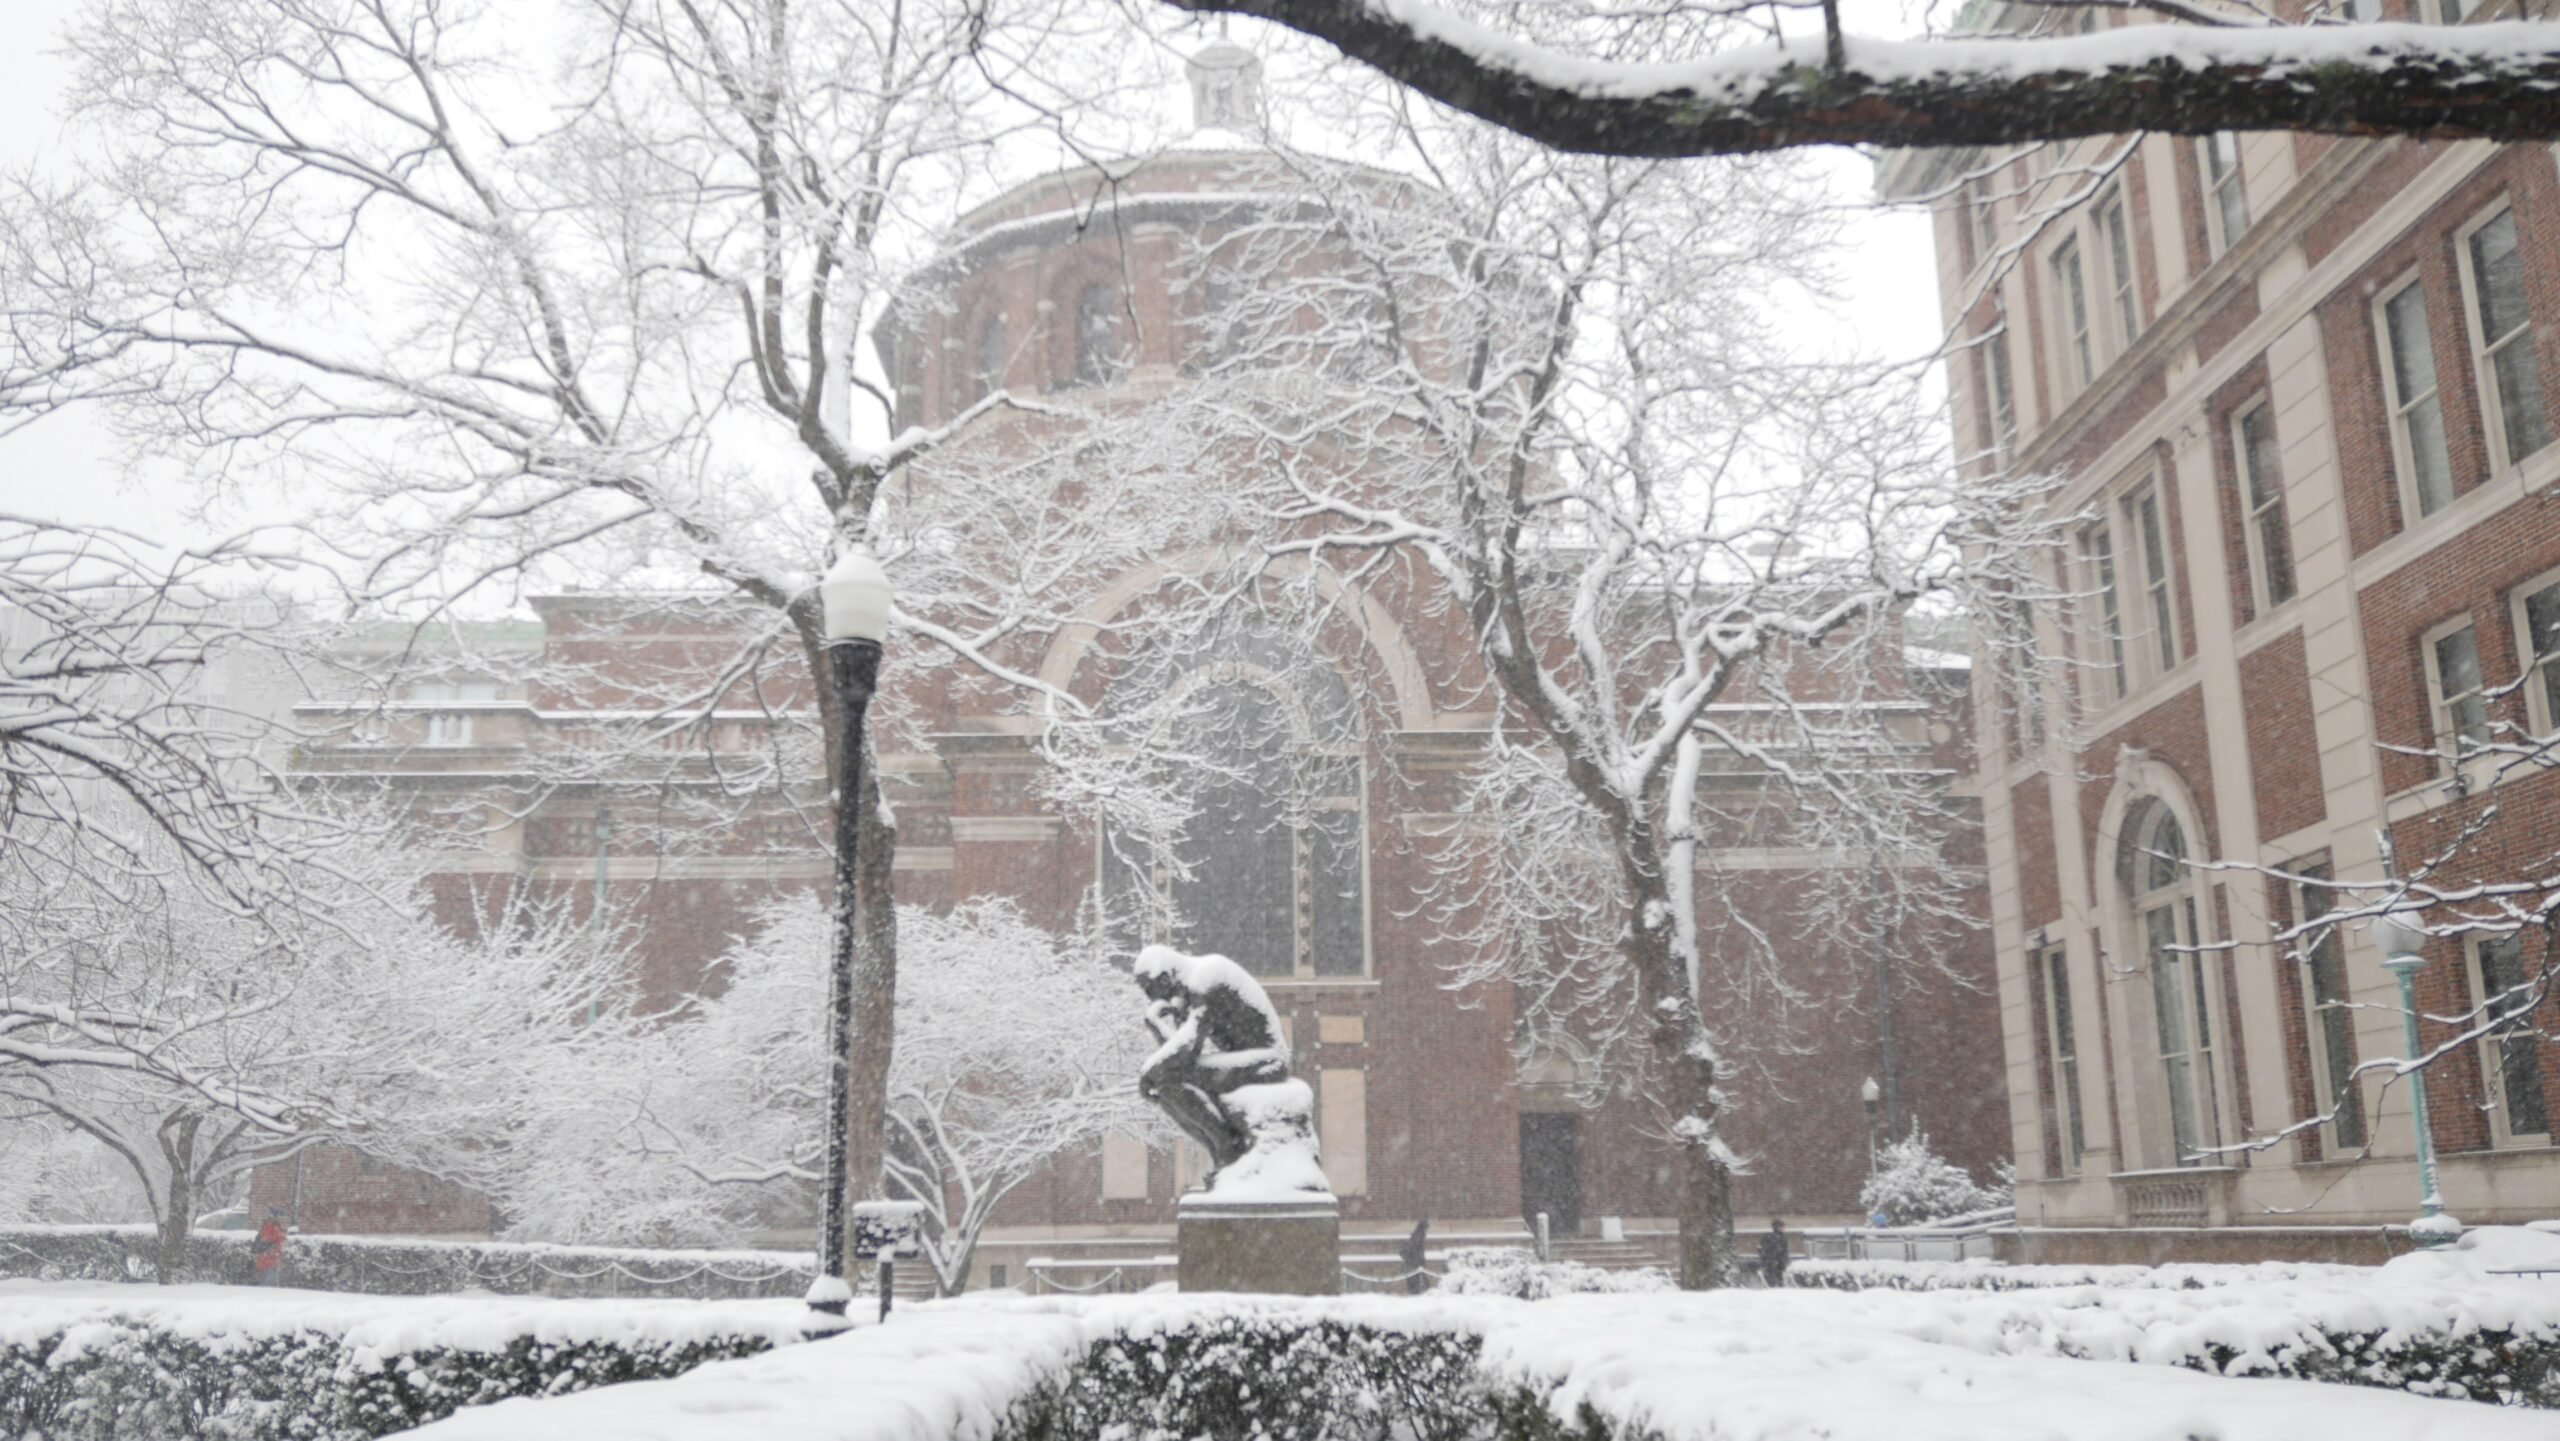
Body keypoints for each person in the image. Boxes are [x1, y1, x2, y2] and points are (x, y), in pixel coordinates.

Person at [1757, 1217, 1790, 1288]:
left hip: (1774, 1262)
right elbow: (1783, 1250)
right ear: (1777, 1227)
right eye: (1782, 1227)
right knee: (1775, 1279)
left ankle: (1774, 1288)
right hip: (1774, 1262)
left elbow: (1760, 1248)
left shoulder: (1774, 1237)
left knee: (1774, 1278)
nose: (1784, 1229)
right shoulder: (1777, 1237)